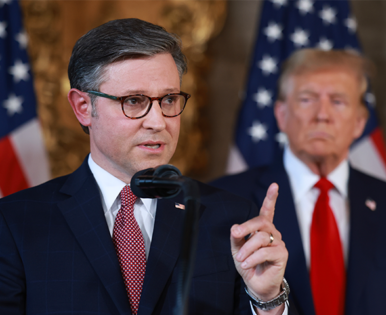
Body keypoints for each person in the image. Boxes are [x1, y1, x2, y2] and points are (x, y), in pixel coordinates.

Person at [0, 19, 290, 315]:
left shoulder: (232, 219)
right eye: (134, 101)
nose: (158, 121)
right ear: (84, 108)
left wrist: (267, 300)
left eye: (168, 99)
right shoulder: (15, 223)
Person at [212, 49, 386, 315]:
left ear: (359, 122)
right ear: (281, 115)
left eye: (338, 101)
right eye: (307, 99)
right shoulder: (223, 202)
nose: (322, 114)